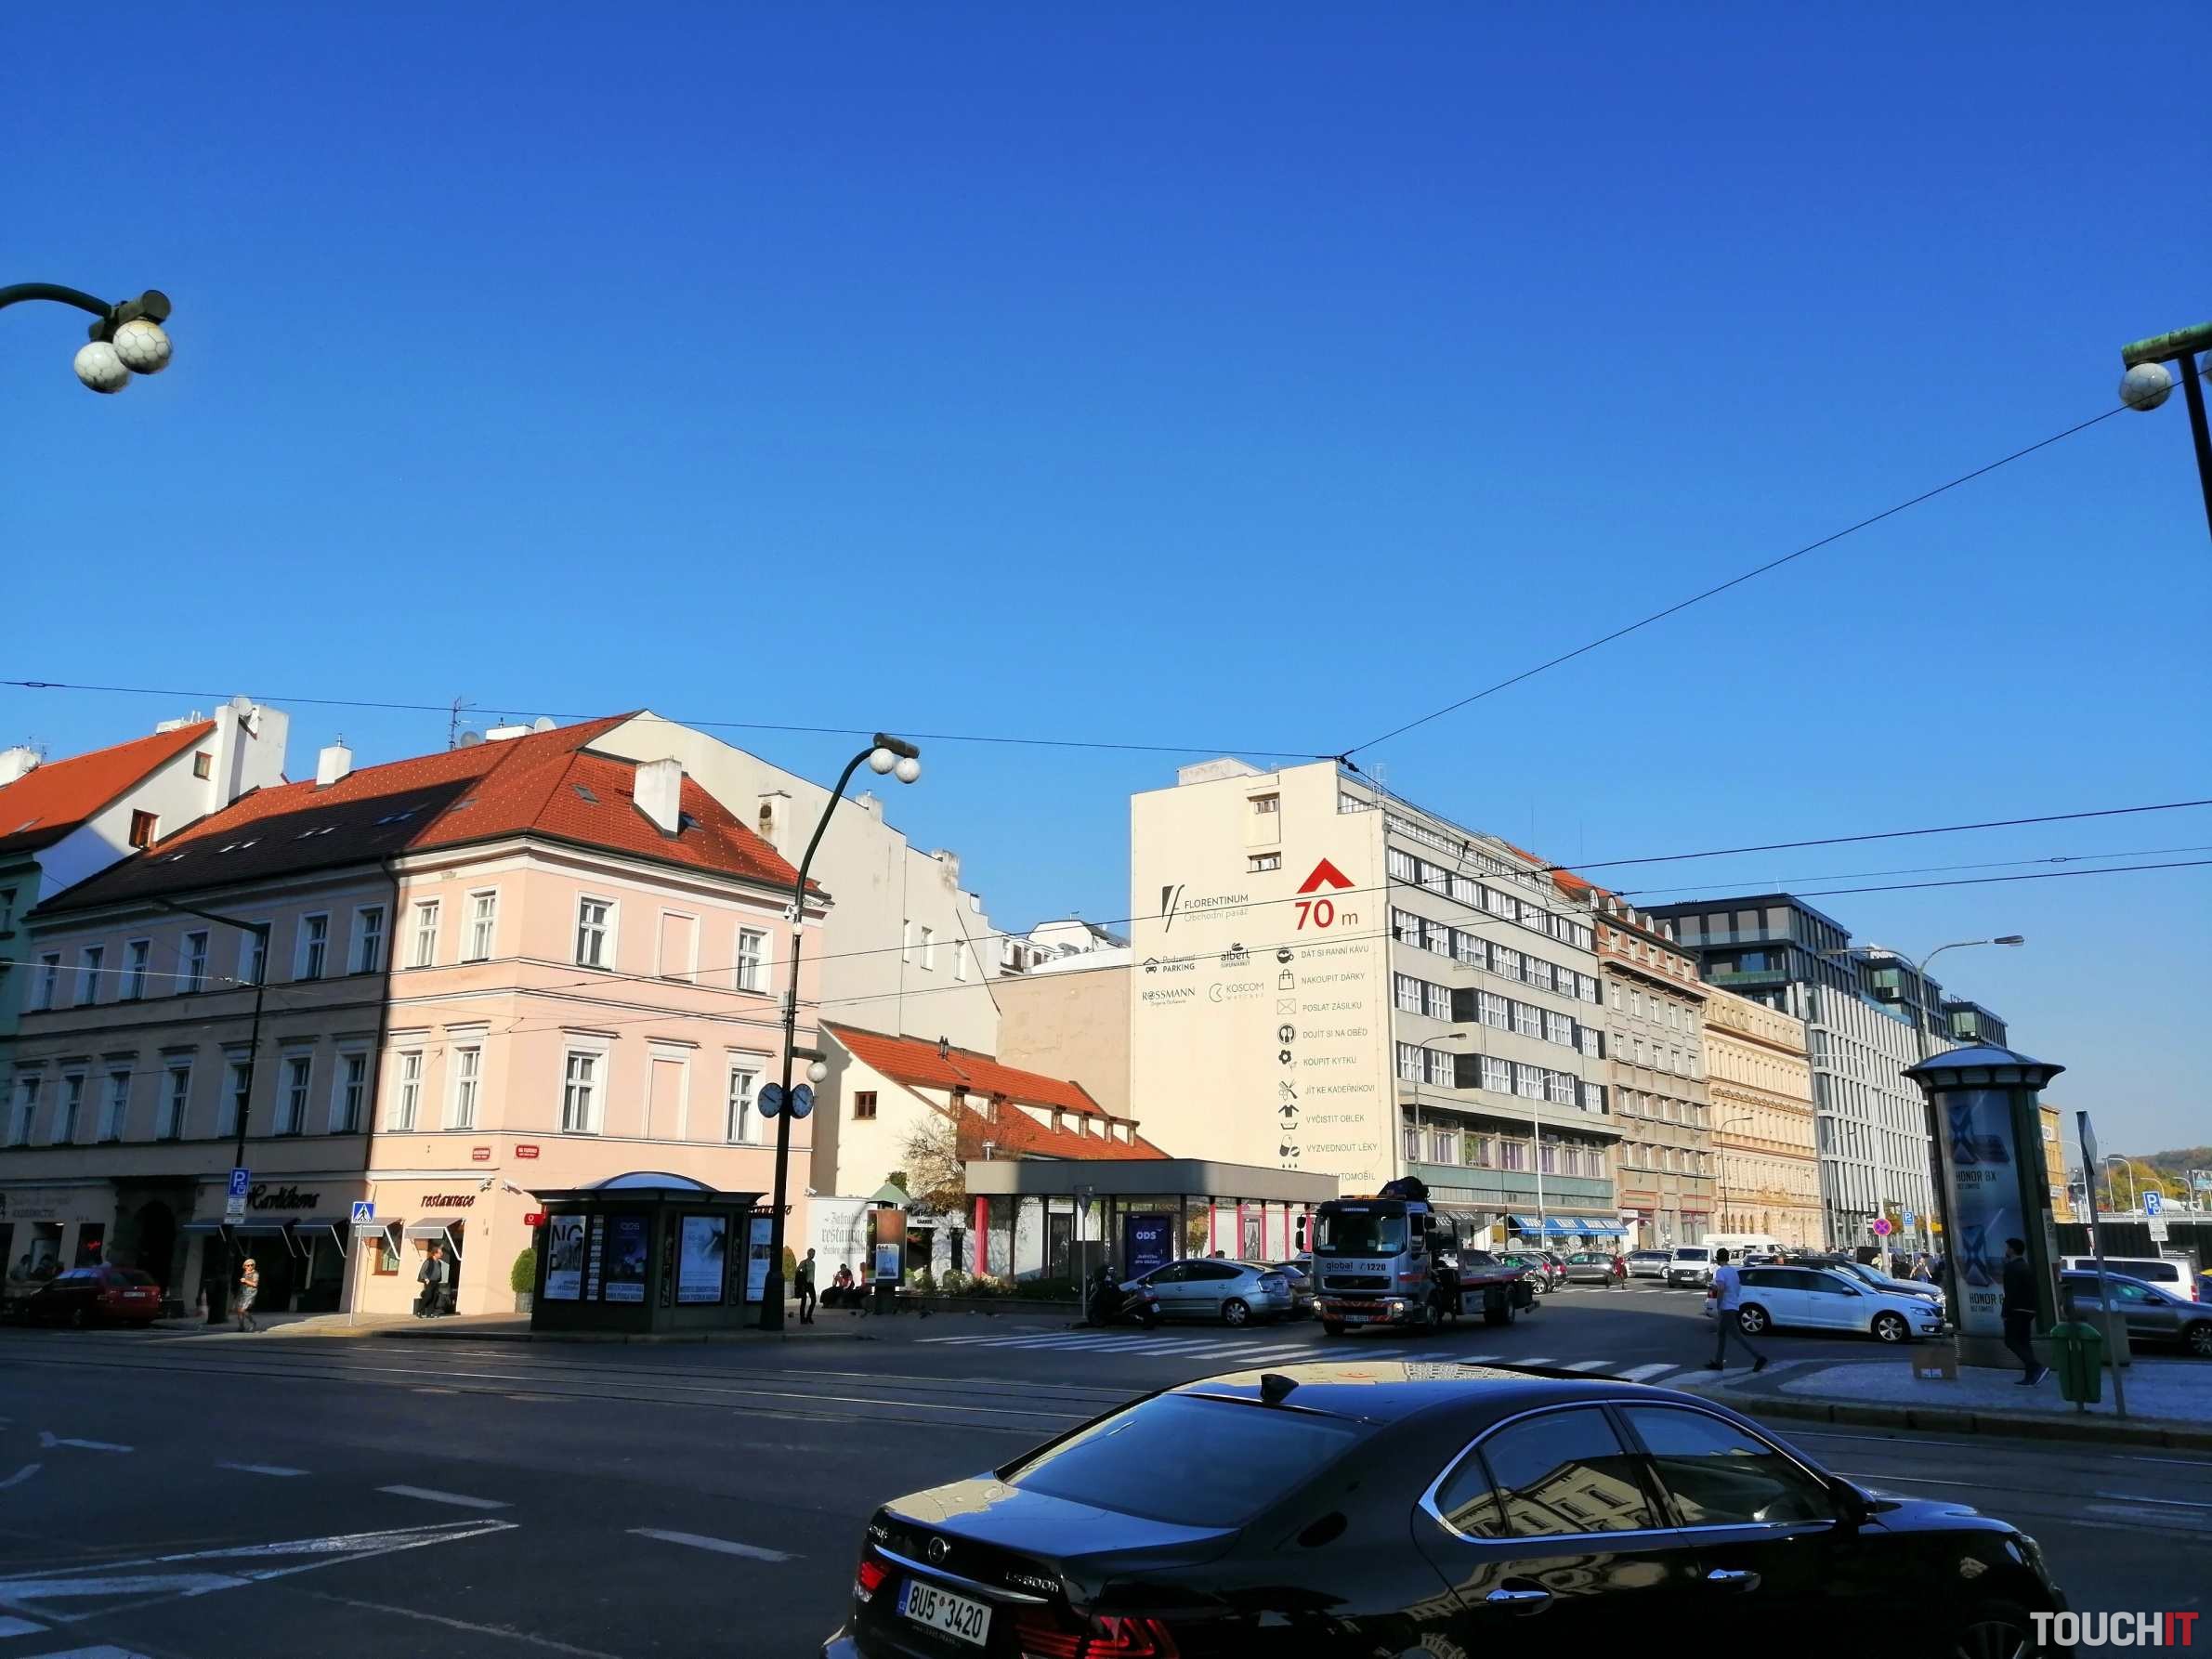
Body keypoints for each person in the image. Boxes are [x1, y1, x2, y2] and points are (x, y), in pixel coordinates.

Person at [1703, 1247, 1767, 1373]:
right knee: (1721, 1334)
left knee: (1737, 1335)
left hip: (1726, 1307)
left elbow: (1721, 1289)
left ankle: (1759, 1357)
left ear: (1718, 1259)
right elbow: (1736, 1288)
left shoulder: (1720, 1272)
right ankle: (1718, 1362)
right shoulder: (1733, 1271)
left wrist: (1719, 1305)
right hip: (1733, 1305)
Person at [2000, 1236, 2048, 1385]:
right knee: (2024, 1342)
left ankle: (2036, 1366)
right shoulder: (2025, 1266)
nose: (2006, 1250)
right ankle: (2031, 1376)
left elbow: (2010, 1292)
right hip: (2028, 1310)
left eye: (2008, 1248)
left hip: (2016, 1310)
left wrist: (2005, 1312)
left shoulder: (2012, 1268)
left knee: (2010, 1340)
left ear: (2012, 1250)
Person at [415, 1242, 447, 1319]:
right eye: (440, 1253)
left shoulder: (439, 1263)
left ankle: (430, 1313)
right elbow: (422, 1271)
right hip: (429, 1281)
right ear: (435, 1253)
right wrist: (426, 1279)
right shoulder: (429, 1261)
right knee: (428, 1296)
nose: (441, 1254)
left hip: (436, 1282)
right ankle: (419, 1311)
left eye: (441, 1253)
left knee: (434, 1297)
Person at [235, 1256, 261, 1333]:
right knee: (239, 1310)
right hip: (243, 1293)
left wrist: (245, 1281)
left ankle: (253, 1322)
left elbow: (255, 1284)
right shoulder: (245, 1273)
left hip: (250, 1294)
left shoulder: (255, 1274)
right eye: (248, 1265)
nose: (250, 1266)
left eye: (252, 1265)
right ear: (245, 1266)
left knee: (243, 1310)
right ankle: (241, 1326)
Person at [796, 1248, 818, 1325]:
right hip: (805, 1284)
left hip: (811, 1283)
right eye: (811, 1254)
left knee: (814, 1300)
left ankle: (809, 1317)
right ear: (808, 1254)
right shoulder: (804, 1262)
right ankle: (802, 1319)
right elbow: (797, 1271)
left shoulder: (813, 1263)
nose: (813, 1255)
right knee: (804, 1301)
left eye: (814, 1254)